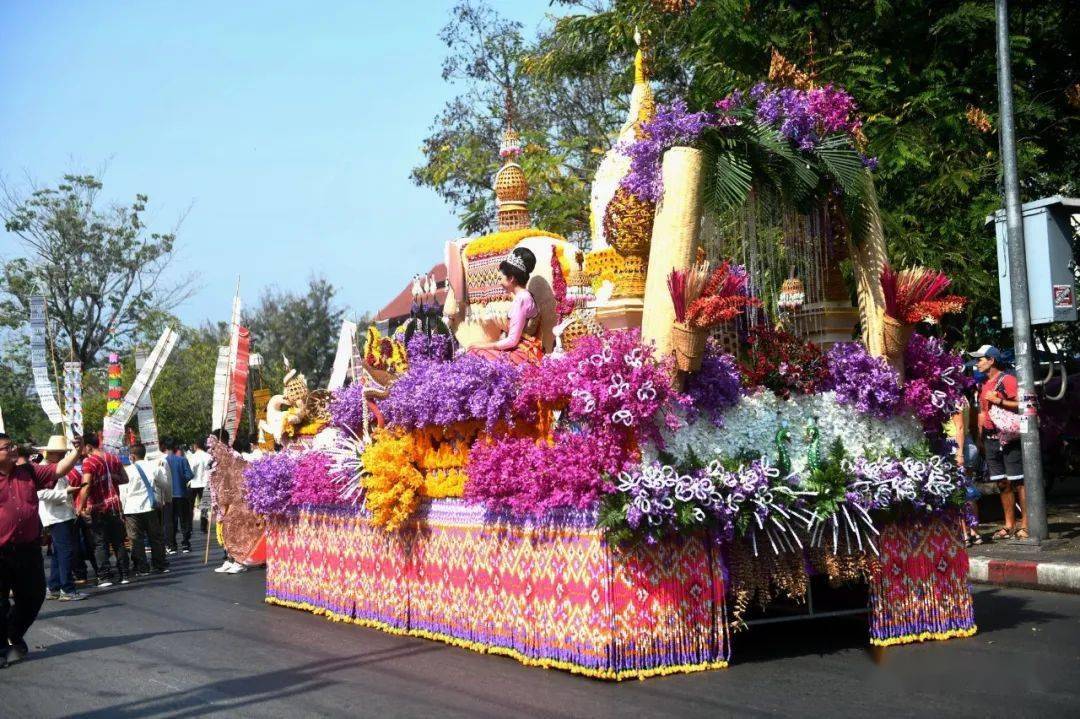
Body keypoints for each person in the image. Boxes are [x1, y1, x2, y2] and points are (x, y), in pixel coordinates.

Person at [0, 431, 79, 667]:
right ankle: (2, 648)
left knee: (34, 596)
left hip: (28, 549)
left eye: (13, 445)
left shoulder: (29, 472)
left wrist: (76, 451)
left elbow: (58, 470)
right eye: (7, 447)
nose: (14, 449)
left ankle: (13, 633)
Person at [971, 345, 1027, 540]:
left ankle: (1025, 524)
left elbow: (1025, 404)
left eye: (980, 359)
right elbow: (982, 412)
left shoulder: (1008, 380)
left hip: (1009, 437)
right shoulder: (983, 384)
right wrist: (980, 437)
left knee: (1019, 481)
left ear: (991, 360)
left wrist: (999, 401)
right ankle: (1009, 524)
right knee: (1002, 483)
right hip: (990, 438)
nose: (977, 363)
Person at [71, 432, 131, 587]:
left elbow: (86, 485)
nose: (81, 450)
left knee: (100, 543)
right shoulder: (113, 458)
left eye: (82, 447)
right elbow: (125, 479)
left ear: (88, 447)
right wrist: (111, 476)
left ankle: (105, 576)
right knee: (118, 541)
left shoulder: (89, 462)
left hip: (98, 507)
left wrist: (80, 506)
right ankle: (124, 573)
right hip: (115, 506)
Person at [468, 247, 543, 365]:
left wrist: (485, 345)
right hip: (525, 350)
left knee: (475, 352)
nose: (499, 282)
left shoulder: (522, 299)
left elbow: (513, 341)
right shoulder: (525, 296)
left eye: (501, 278)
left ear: (511, 278)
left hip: (524, 354)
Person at [36, 436, 88, 601]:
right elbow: (41, 494)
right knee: (65, 552)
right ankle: (67, 589)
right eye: (59, 454)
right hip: (55, 516)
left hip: (63, 514)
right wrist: (65, 492)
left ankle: (55, 586)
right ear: (50, 453)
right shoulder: (43, 470)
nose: (61, 457)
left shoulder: (55, 467)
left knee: (60, 553)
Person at [121, 443, 171, 576]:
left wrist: (122, 509)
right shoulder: (154, 467)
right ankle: (159, 564)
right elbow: (165, 484)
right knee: (155, 537)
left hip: (131, 509)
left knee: (136, 539)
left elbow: (123, 492)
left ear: (132, 456)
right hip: (150, 506)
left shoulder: (127, 470)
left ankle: (142, 567)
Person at [163, 439, 194, 554]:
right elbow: (189, 475)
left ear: (165, 448)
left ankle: (172, 545)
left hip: (168, 496)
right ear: (176, 448)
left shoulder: (162, 461)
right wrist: (182, 480)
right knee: (184, 520)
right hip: (182, 493)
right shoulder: (182, 460)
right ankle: (185, 543)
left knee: (170, 521)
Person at [187, 438, 212, 533]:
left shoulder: (192, 457)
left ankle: (189, 527)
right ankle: (203, 527)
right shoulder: (209, 456)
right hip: (205, 483)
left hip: (193, 483)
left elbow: (190, 471)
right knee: (204, 507)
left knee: (190, 507)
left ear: (195, 446)